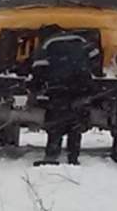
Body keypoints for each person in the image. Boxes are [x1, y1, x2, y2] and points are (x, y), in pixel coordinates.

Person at [30, 26, 98, 165]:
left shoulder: (47, 44)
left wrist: (36, 88)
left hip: (58, 87)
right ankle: (73, 157)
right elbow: (95, 55)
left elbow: (39, 67)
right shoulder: (80, 39)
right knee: (75, 122)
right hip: (81, 86)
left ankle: (52, 155)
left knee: (56, 122)